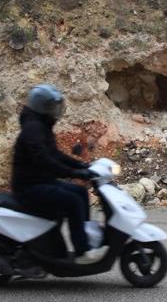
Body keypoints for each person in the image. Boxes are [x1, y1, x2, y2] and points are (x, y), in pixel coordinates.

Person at [11, 83, 109, 265]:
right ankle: (82, 250)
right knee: (72, 201)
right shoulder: (34, 129)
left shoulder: (40, 125)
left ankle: (86, 239)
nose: (56, 110)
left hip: (41, 181)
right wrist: (73, 172)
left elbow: (55, 154)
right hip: (29, 187)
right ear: (42, 107)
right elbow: (45, 160)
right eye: (52, 107)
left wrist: (81, 165)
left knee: (80, 192)